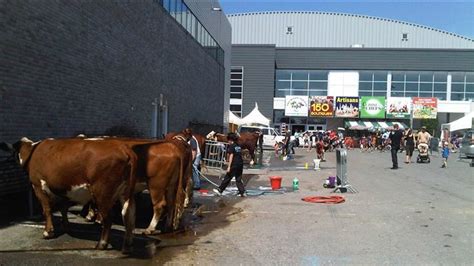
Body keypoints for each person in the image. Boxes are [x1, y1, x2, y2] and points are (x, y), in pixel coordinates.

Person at [213, 133, 246, 197]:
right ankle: (242, 192)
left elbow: (231, 156)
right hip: (240, 164)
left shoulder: (232, 146)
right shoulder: (238, 145)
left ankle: (220, 190)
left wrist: (229, 166)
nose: (228, 142)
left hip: (234, 164)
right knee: (238, 179)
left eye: (228, 140)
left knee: (227, 177)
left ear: (230, 140)